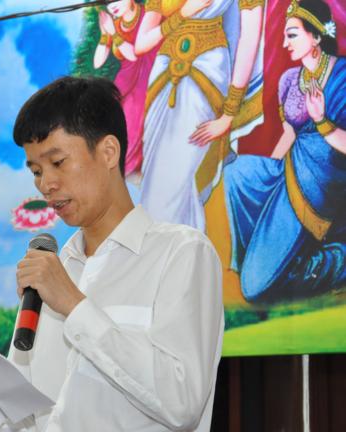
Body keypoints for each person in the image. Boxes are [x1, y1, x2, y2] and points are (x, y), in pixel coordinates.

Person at [0, 77, 224, 431]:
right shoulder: (51, 273)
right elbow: (27, 418)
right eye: (36, 171)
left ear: (108, 152)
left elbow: (183, 401)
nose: (46, 185)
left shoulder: (181, 253)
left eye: (57, 162)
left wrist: (74, 305)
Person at [221, 0, 346, 302]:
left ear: (316, 36)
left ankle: (337, 261)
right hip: (292, 168)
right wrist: (272, 179)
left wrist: (322, 122)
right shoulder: (290, 79)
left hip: (324, 182)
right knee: (237, 173)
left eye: (292, 35)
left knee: (254, 289)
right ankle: (268, 257)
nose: (284, 42)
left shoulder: (342, 76)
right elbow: (290, 133)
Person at [134, 0, 264, 231]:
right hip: (162, 76)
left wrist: (229, 114)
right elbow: (141, 45)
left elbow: (250, 37)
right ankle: (172, 246)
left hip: (208, 72)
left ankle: (172, 245)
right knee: (156, 178)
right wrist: (183, 13)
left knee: (178, 178)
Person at [93, 0, 158, 182]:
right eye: (107, 2)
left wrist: (114, 33)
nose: (112, 5)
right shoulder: (114, 24)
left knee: (130, 128)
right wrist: (105, 35)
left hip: (146, 78)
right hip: (124, 84)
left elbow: (135, 54)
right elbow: (97, 62)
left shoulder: (148, 15)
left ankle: (127, 173)